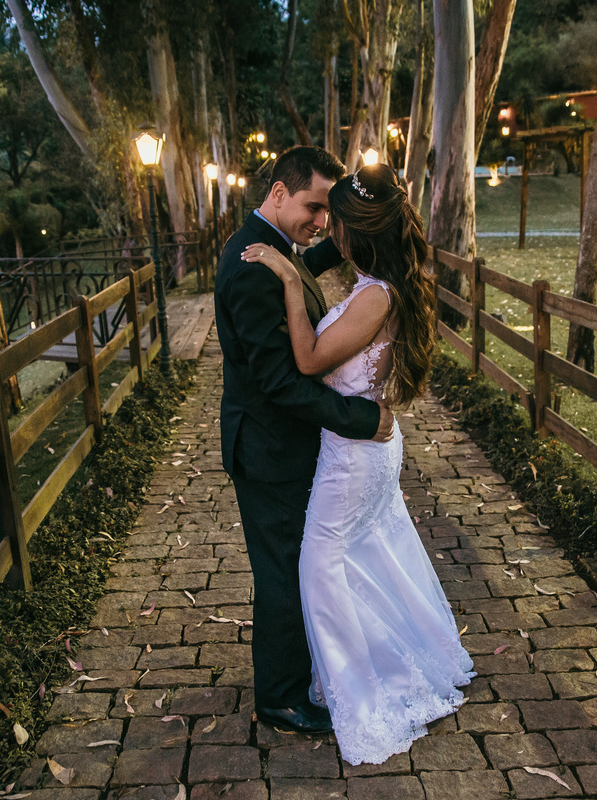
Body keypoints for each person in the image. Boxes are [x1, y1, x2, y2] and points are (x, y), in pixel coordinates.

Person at [242, 163, 474, 765]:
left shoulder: (374, 298)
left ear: (354, 231)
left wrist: (290, 284)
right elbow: (326, 266)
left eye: (332, 219)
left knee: (320, 565)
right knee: (371, 555)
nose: (324, 229)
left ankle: (358, 689)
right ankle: (391, 656)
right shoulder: (379, 281)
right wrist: (292, 259)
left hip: (354, 458)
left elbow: (311, 358)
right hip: (365, 450)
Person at [214, 146, 395, 734]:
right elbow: (280, 387)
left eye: (328, 212)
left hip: (284, 444)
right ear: (278, 194)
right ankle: (281, 698)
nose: (321, 221)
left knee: (297, 563)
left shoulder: (276, 246)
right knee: (282, 572)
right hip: (268, 447)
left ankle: (299, 675)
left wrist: (369, 227)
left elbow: (316, 253)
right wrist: (362, 420)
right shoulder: (249, 269)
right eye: (314, 206)